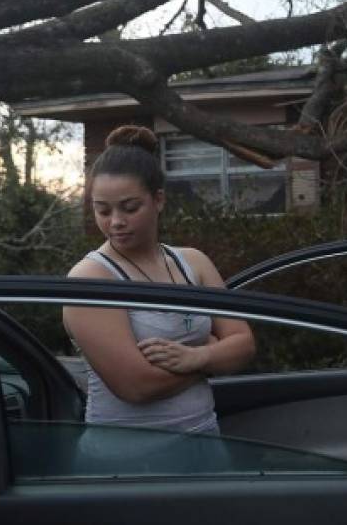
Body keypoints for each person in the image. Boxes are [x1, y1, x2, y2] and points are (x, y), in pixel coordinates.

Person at [66, 125, 256, 433]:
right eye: (102, 210)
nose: (115, 222)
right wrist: (210, 360)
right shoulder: (92, 276)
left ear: (159, 200)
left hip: (206, 438)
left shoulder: (193, 261)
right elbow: (136, 386)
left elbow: (244, 344)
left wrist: (198, 355)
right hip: (129, 458)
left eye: (130, 207)